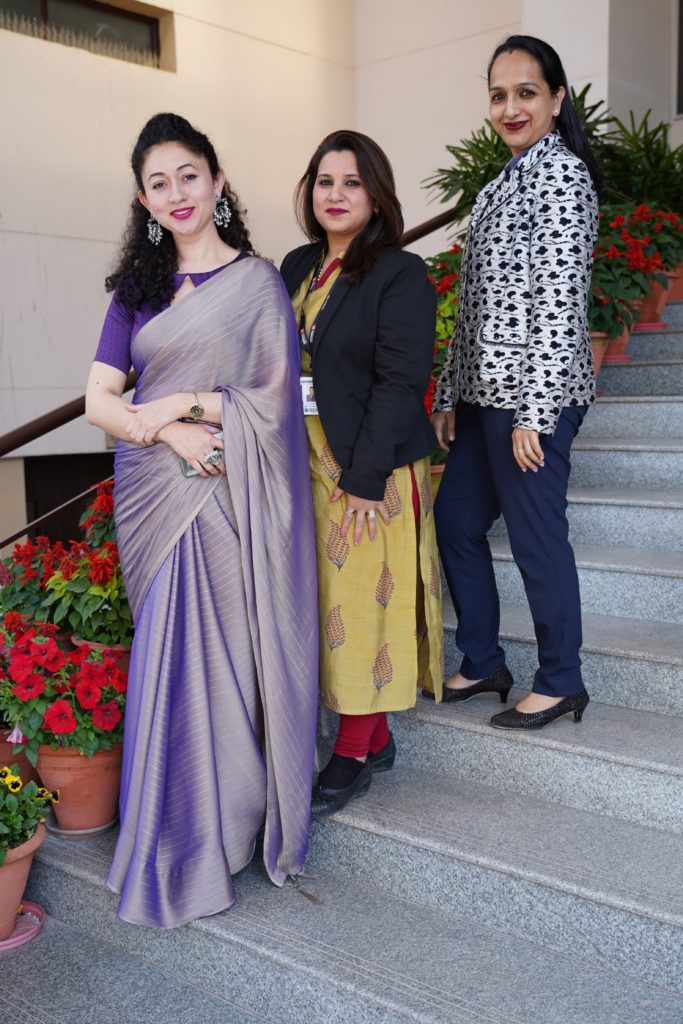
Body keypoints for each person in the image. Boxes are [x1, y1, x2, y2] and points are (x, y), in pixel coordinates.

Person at [85, 113, 318, 928]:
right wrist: (168, 431)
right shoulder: (137, 292)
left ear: (217, 181)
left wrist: (183, 401)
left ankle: (224, 828)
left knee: (225, 658)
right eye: (159, 183)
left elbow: (276, 402)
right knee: (166, 655)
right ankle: (168, 830)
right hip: (154, 491)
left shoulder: (256, 284)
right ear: (143, 201)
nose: (176, 193)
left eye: (188, 175)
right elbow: (97, 400)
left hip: (224, 490)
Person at [426, 36, 606, 730]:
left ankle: (561, 679)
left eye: (526, 93)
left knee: (535, 536)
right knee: (454, 521)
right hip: (482, 399)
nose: (510, 107)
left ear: (556, 99)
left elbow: (560, 301)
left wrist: (536, 411)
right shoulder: (500, 183)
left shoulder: (561, 176)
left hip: (532, 397)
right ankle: (481, 660)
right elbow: (472, 302)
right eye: (498, 95)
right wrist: (450, 392)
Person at [281, 130, 443, 816]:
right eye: (325, 181)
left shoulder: (399, 273)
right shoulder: (296, 265)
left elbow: (401, 382)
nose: (336, 194)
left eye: (352, 182)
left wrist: (365, 478)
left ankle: (350, 755)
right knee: (324, 606)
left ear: (376, 196)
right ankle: (374, 739)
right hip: (304, 460)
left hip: (369, 468)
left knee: (359, 606)